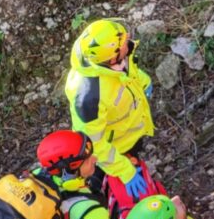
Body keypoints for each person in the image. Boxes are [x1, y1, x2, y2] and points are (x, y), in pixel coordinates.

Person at [65, 19, 154, 201]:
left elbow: (126, 74)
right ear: (111, 59)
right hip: (113, 151)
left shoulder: (109, 58)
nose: (130, 43)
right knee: (107, 186)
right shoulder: (89, 98)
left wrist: (143, 81)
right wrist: (125, 171)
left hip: (129, 135)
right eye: (124, 45)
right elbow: (95, 145)